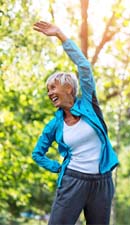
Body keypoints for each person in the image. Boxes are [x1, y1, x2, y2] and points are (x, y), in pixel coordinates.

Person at [32, 21, 119, 225]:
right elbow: (37, 153)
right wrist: (58, 168)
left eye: (53, 87)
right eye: (48, 90)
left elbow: (84, 66)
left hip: (102, 182)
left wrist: (61, 35)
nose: (50, 93)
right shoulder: (55, 125)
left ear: (69, 88)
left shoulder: (88, 103)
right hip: (73, 181)